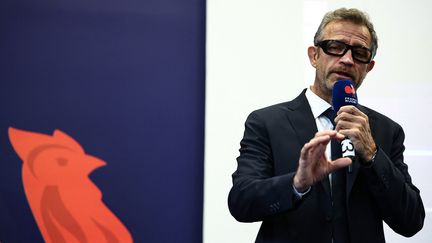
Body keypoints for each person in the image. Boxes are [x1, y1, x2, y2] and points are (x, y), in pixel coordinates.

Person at [228, 7, 425, 243]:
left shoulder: (385, 131)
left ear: (368, 67)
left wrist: (372, 154)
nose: (347, 59)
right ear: (314, 56)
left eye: (360, 53)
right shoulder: (266, 122)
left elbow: (411, 221)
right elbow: (241, 201)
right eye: (335, 47)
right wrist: (296, 184)